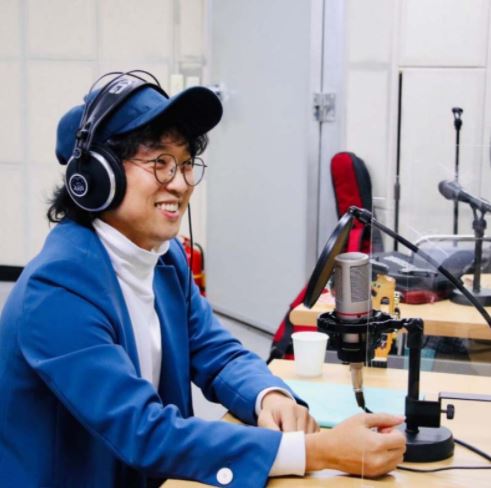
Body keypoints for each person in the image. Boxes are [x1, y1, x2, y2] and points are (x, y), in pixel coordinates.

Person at [0, 71, 406, 487]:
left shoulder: (166, 259)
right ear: (98, 176)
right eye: (159, 164)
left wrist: (269, 395)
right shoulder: (57, 290)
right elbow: (142, 430)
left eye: (185, 164)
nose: (180, 184)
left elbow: (216, 351)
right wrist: (315, 451)